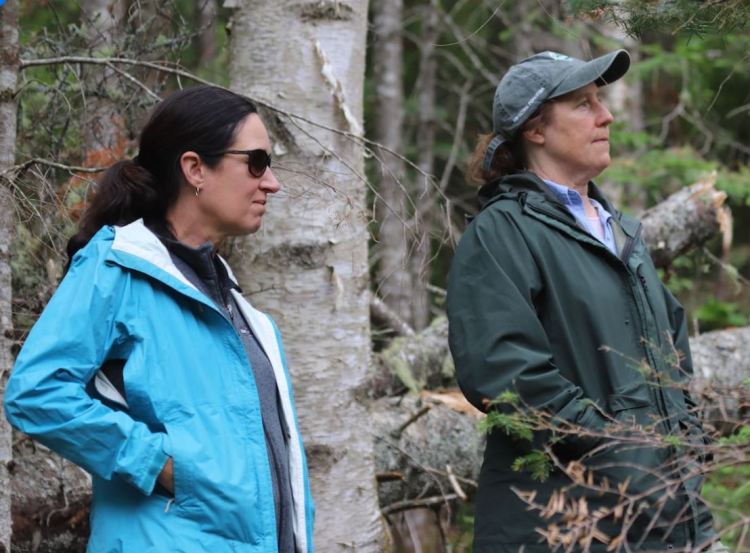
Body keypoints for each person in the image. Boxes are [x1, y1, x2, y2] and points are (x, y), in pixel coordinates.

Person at [4, 86, 314, 553]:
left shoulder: (237, 306)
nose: (271, 182)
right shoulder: (117, 267)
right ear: (194, 169)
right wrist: (160, 465)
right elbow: (37, 392)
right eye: (255, 162)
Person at [447, 51, 718, 552]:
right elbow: (504, 374)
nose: (606, 114)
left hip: (663, 518)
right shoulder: (502, 233)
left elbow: (672, 359)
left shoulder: (621, 234)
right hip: (561, 526)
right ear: (535, 128)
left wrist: (686, 455)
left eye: (601, 100)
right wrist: (626, 453)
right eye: (582, 103)